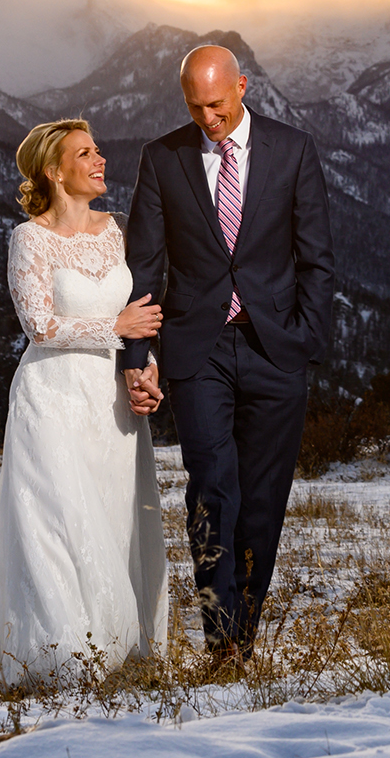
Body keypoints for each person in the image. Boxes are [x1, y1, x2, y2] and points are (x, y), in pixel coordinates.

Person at [120, 45, 333, 670]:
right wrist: (138, 352)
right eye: (194, 106)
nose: (207, 118)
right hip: (197, 352)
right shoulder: (164, 158)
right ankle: (219, 639)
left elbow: (317, 258)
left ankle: (245, 631)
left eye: (216, 104)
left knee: (264, 500)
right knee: (212, 492)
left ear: (241, 86)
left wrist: (306, 340)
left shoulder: (292, 151)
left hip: (276, 351)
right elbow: (144, 265)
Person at [0, 120, 170, 692]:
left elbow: (141, 321)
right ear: (55, 172)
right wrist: (117, 326)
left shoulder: (117, 231)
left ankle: (117, 651)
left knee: (110, 520)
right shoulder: (28, 239)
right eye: (84, 153)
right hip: (51, 400)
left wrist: (145, 363)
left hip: (110, 404)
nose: (100, 159)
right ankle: (61, 660)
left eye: (99, 150)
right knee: (56, 527)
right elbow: (39, 324)